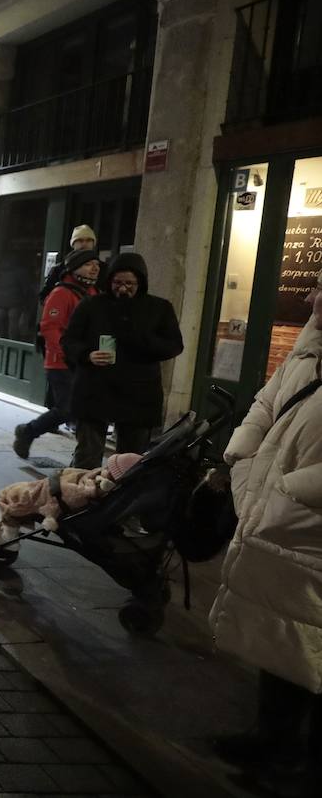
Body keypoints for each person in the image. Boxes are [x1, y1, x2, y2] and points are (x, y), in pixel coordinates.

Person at [209, 274, 322, 796]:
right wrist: (244, 448)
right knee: (285, 633)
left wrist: (293, 489)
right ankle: (270, 737)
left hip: (307, 517)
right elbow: (268, 399)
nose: (313, 295)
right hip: (284, 518)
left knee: (315, 640)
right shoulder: (311, 343)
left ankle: (304, 762)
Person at [62, 253, 183, 469]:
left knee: (129, 462)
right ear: (110, 281)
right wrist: (87, 355)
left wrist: (140, 338)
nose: (123, 288)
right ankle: (81, 499)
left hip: (138, 393)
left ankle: (119, 501)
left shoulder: (159, 308)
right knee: (87, 457)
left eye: (129, 283)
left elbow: (173, 345)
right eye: (118, 282)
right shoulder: (92, 305)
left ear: (140, 282)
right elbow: (69, 340)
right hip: (95, 389)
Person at [13, 249, 100, 459]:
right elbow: (50, 328)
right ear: (75, 267)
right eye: (89, 264)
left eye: (96, 264)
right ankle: (28, 431)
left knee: (78, 409)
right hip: (61, 363)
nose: (95, 267)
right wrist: (68, 353)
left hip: (83, 362)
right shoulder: (61, 293)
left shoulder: (92, 292)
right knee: (67, 409)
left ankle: (84, 454)